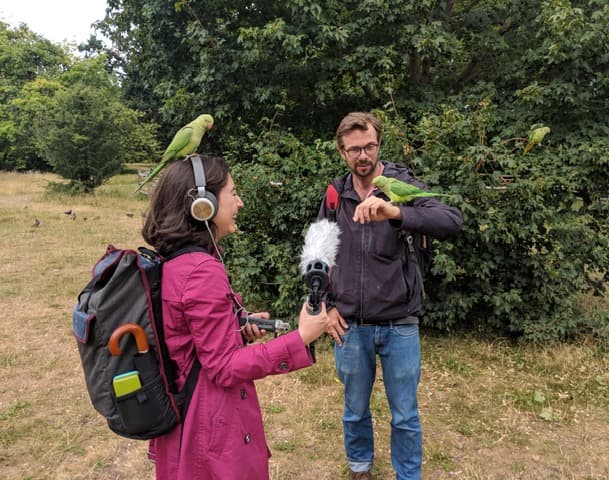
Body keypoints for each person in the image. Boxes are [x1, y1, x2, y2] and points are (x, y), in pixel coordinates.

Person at [142, 154, 328, 479]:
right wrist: (301, 338)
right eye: (233, 192)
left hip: (186, 422)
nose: (239, 202)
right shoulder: (201, 271)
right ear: (203, 205)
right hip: (210, 434)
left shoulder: (176, 261)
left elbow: (188, 341)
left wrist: (236, 329)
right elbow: (223, 367)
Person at [318, 112, 463, 480]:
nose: (362, 155)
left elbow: (451, 221)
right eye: (354, 150)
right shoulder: (336, 195)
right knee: (354, 409)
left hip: (400, 322)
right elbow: (318, 253)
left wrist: (396, 212)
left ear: (379, 146)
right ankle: (360, 468)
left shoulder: (400, 183)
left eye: (369, 146)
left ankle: (408, 475)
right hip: (350, 324)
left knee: (405, 414)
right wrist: (324, 305)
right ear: (342, 153)